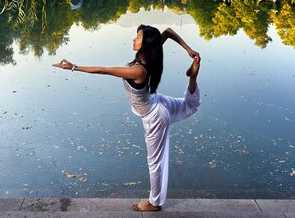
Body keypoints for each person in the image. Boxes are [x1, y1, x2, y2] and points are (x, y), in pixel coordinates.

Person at [52, 25, 201, 212]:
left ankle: (154, 203)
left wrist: (73, 67)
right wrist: (189, 50)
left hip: (155, 115)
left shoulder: (139, 70)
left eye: (138, 37)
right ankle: (193, 77)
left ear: (146, 44)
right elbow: (169, 31)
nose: (134, 39)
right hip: (157, 101)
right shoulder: (149, 54)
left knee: (154, 162)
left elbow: (104, 70)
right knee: (190, 105)